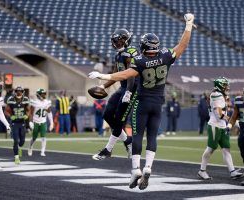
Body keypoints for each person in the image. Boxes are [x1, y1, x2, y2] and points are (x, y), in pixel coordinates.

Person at [89, 13, 195, 190]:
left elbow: (126, 75)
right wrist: (189, 25)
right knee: (152, 136)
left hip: (141, 99)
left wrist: (103, 75)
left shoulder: (139, 60)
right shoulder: (166, 56)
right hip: (158, 102)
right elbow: (183, 44)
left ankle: (135, 168)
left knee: (137, 135)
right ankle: (148, 167)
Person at [91, 28, 139, 160]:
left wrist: (128, 92)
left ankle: (108, 149)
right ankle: (128, 141)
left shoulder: (130, 53)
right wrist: (103, 85)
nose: (115, 43)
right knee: (107, 114)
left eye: (117, 40)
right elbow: (115, 75)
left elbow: (131, 75)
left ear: (125, 40)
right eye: (114, 41)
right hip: (122, 87)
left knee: (119, 120)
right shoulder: (118, 55)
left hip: (132, 89)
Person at [197, 77, 243, 180]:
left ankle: (232, 171)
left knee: (226, 149)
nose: (227, 87)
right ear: (220, 85)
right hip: (215, 126)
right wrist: (232, 121)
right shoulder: (216, 95)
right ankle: (202, 171)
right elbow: (218, 114)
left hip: (222, 126)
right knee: (210, 149)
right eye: (225, 85)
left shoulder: (221, 95)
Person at [5, 86, 30, 164]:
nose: (19, 92)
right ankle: (16, 157)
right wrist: (10, 116)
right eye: (17, 91)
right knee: (16, 140)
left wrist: (27, 115)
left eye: (20, 91)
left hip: (22, 122)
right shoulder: (10, 100)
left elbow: (28, 110)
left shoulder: (26, 99)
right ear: (15, 92)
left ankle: (19, 148)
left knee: (22, 142)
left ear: (22, 92)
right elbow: (6, 111)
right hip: (14, 122)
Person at [28, 89, 54, 157]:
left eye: (44, 93)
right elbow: (30, 113)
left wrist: (51, 123)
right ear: (39, 95)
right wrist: (30, 122)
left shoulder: (47, 102)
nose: (44, 95)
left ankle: (42, 151)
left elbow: (49, 112)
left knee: (43, 137)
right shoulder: (34, 102)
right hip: (36, 122)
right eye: (42, 94)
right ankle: (30, 147)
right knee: (34, 137)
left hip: (43, 122)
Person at [227, 88, 244, 185]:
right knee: (243, 152)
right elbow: (234, 116)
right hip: (243, 130)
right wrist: (229, 126)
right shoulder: (238, 101)